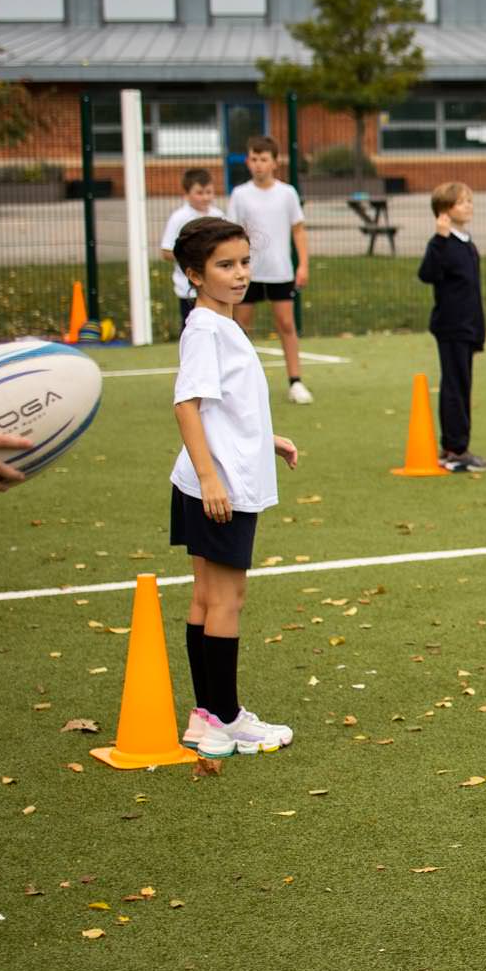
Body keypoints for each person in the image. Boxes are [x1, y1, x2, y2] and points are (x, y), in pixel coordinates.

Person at [169, 216, 303, 758]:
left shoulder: (220, 324)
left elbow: (225, 406)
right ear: (194, 274)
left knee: (206, 598)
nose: (241, 273)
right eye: (225, 265)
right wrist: (210, 479)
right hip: (218, 486)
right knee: (228, 598)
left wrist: (264, 437)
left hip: (214, 475)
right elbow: (187, 405)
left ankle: (207, 715)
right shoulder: (205, 329)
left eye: (245, 262)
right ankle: (226, 721)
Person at [227, 137, 312, 403]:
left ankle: (295, 382)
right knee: (240, 327)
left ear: (275, 162)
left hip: (280, 271)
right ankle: (239, 385)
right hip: (247, 273)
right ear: (247, 161)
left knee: (286, 324)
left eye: (264, 159)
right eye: (254, 159)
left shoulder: (287, 193)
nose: (259, 165)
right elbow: (232, 234)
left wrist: (303, 264)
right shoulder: (240, 194)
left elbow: (298, 230)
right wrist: (235, 267)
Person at [417, 182, 486, 473]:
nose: (469, 206)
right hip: (451, 326)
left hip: (468, 326)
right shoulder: (443, 243)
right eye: (462, 202)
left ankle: (455, 446)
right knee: (455, 387)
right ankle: (456, 450)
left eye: (470, 201)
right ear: (445, 211)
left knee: (462, 385)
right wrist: (439, 239)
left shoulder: (466, 242)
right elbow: (428, 274)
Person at [157, 167, 224, 339]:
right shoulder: (179, 217)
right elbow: (166, 251)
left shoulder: (218, 216)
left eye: (208, 192)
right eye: (199, 193)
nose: (205, 197)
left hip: (215, 287)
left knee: (217, 330)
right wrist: (193, 256)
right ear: (187, 194)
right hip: (188, 289)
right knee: (193, 332)